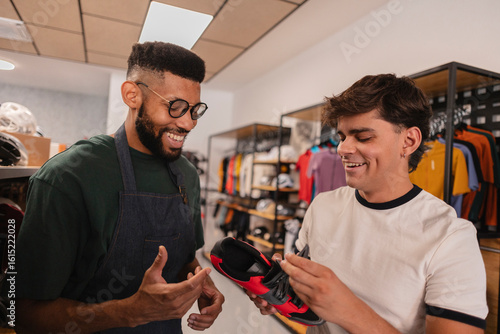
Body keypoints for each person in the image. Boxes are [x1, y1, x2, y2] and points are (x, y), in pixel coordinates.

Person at [248, 74, 488, 333]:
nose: (342, 148)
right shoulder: (322, 206)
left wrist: (350, 310)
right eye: (342, 136)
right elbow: (310, 307)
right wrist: (283, 292)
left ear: (409, 142)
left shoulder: (450, 238)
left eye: (362, 137)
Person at [14, 42, 224, 333]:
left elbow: (187, 259)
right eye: (175, 106)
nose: (188, 123)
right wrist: (128, 312)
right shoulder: (67, 178)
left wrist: (202, 283)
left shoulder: (186, 175)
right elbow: (25, 313)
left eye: (194, 110)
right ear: (132, 95)